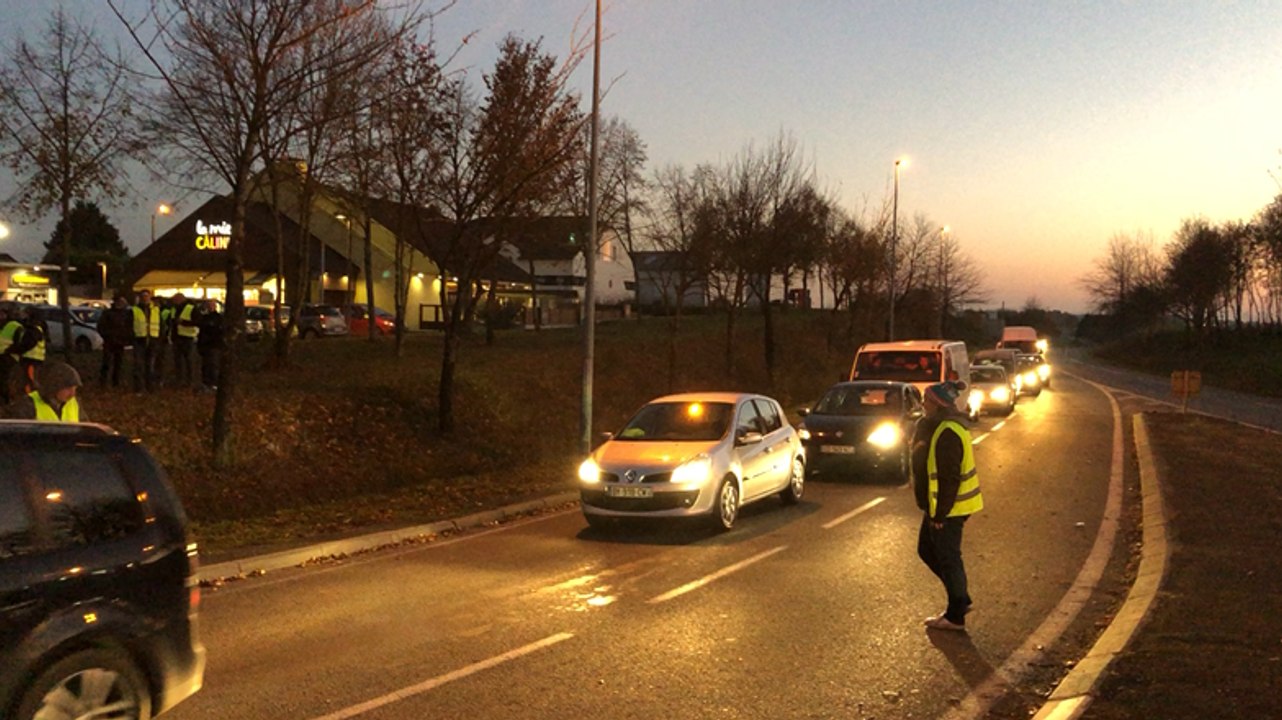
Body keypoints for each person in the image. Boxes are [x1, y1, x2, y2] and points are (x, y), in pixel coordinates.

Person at [911, 380, 984, 632]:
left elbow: (949, 477)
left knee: (948, 557)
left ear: (938, 403)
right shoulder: (938, 426)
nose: (923, 404)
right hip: (939, 506)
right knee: (927, 550)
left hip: (948, 508)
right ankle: (960, 599)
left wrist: (939, 513)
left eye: (927, 400)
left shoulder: (948, 432)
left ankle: (956, 614)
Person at [5, 359, 85, 422]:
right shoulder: (27, 405)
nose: (72, 394)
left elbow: (86, 432)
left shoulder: (74, 403)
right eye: (68, 389)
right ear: (54, 387)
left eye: (75, 389)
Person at [8, 303, 47, 394]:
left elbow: (27, 344)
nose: (22, 315)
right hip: (32, 360)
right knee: (29, 380)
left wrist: (14, 350)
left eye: (25, 313)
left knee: (30, 381)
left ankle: (30, 399)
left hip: (31, 360)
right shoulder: (34, 327)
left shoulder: (33, 329)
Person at [97, 294, 132, 388]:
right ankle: (103, 382)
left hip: (120, 342)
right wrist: (107, 336)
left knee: (118, 363)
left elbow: (128, 327)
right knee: (106, 363)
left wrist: (126, 338)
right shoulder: (108, 313)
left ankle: (115, 382)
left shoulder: (126, 314)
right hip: (110, 341)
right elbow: (101, 326)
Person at [131, 289, 163, 392]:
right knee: (138, 366)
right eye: (143, 296)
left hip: (153, 340)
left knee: (150, 366)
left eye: (147, 296)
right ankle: (139, 388)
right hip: (139, 340)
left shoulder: (156, 310)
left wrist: (160, 339)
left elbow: (162, 325)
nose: (145, 298)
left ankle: (150, 387)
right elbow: (129, 325)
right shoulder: (134, 310)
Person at [170, 292, 198, 387]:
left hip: (187, 337)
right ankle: (179, 379)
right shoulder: (174, 309)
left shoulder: (191, 308)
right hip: (177, 337)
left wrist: (184, 323)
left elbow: (197, 322)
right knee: (178, 361)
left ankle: (189, 380)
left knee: (188, 360)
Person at [195, 299, 223, 393]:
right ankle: (207, 383)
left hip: (214, 345)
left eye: (212, 305)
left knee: (213, 365)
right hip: (205, 345)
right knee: (206, 365)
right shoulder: (204, 318)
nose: (210, 307)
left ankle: (214, 384)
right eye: (209, 305)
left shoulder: (219, 318)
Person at [0, 302, 21, 404]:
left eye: (2, 313)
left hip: (9, 358)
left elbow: (19, 343)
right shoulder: (3, 326)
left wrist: (9, 351)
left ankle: (7, 400)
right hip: (4, 357)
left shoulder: (14, 326)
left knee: (6, 381)